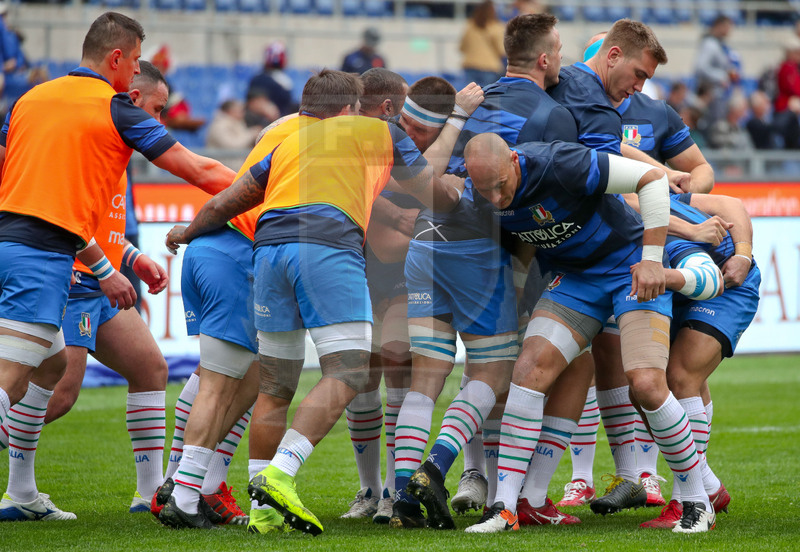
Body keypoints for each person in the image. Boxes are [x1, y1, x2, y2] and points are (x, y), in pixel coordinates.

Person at [165, 69, 465, 536]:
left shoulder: (289, 139)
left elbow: (232, 198)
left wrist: (187, 231)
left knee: (274, 387)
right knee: (348, 371)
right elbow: (436, 194)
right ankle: (280, 474)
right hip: (326, 245)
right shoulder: (380, 132)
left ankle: (261, 513)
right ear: (352, 109)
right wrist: (459, 189)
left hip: (266, 252)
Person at [0, 11, 235, 508]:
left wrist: (119, 256)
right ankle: (19, 490)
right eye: (133, 62)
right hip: (50, 261)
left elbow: (31, 186)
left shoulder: (29, 100)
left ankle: (132, 493)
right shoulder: (115, 109)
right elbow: (195, 168)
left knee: (123, 367)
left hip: (51, 251)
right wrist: (266, 189)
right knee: (32, 387)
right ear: (117, 59)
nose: (134, 76)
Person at [464, 134, 714, 535]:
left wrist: (652, 260)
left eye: (500, 185)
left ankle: (698, 502)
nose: (494, 198)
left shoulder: (562, 163)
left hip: (629, 267)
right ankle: (505, 508)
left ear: (514, 160)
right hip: (576, 281)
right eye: (483, 190)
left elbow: (651, 178)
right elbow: (520, 247)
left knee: (647, 384)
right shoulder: (478, 192)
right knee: (527, 370)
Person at [390, 13, 582, 530]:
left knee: (426, 376)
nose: (562, 58)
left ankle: (403, 496)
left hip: (428, 242)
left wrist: (455, 118)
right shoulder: (552, 114)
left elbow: (425, 176)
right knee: (492, 374)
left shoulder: (470, 102)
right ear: (545, 58)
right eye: (560, 49)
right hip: (480, 253)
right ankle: (438, 470)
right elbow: (547, 203)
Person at [0, 60, 171, 522]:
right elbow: (67, 218)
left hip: (99, 278)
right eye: (158, 109)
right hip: (74, 278)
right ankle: (18, 491)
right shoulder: (94, 137)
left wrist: (133, 259)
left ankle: (149, 492)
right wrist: (106, 270)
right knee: (59, 391)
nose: (161, 122)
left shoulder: (116, 151)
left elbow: (100, 225)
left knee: (151, 368)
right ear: (134, 100)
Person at [641, 192, 759, 529]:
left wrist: (743, 255)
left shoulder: (636, 190)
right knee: (646, 387)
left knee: (680, 377)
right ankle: (705, 484)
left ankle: (687, 501)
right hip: (674, 289)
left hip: (724, 283)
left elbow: (731, 205)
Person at [694, 15, 740, 129]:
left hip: (718, 96)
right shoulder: (710, 44)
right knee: (712, 129)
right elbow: (700, 67)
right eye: (727, 26)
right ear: (719, 26)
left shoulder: (720, 44)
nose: (729, 30)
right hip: (710, 96)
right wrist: (722, 77)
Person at [460, 1, 506, 87]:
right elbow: (502, 51)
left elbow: (462, 47)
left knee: (470, 95)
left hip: (470, 65)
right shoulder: (497, 27)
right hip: (490, 67)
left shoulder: (470, 25)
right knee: (487, 97)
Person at [246, 41, 297, 119]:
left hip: (282, 120)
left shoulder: (284, 79)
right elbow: (254, 103)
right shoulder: (259, 80)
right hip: (265, 122)